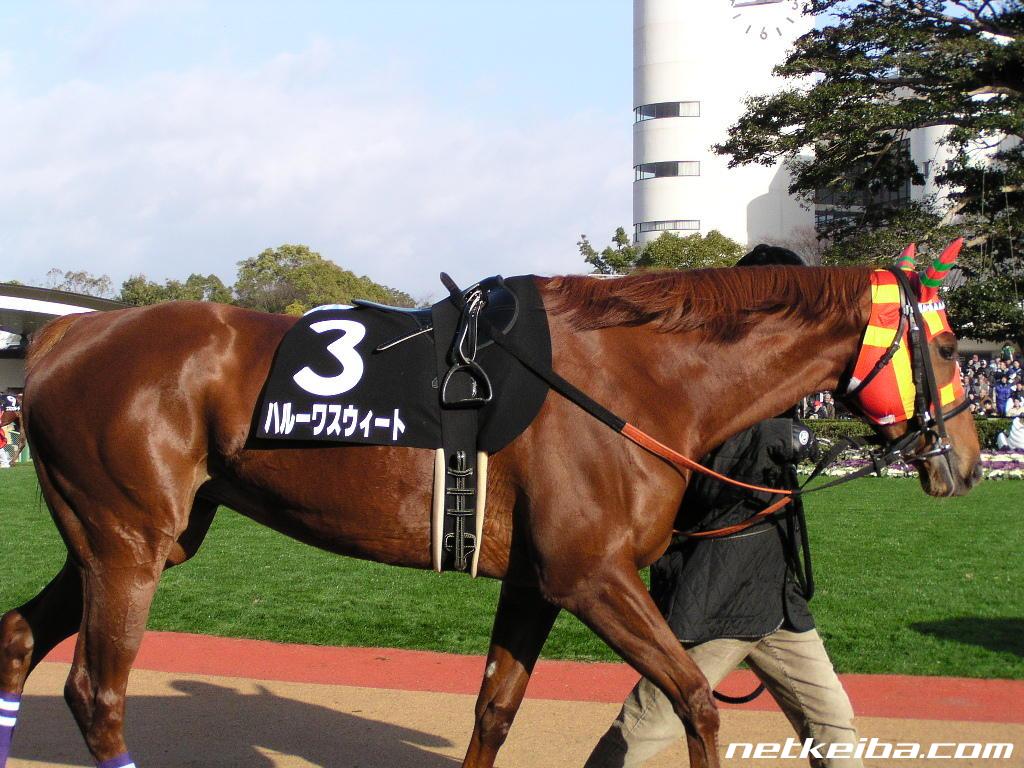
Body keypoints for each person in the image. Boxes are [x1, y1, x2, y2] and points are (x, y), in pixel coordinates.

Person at [585, 245, 862, 768]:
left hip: (773, 593)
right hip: (714, 592)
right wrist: (781, 437)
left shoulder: (771, 374)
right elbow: (695, 473)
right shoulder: (700, 375)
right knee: (648, 727)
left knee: (831, 719)